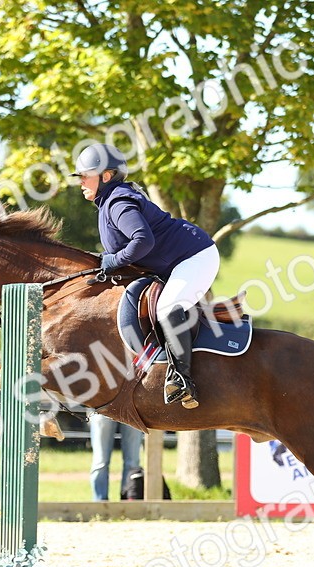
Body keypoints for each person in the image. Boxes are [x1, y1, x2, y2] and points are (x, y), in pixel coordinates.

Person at [73, 142, 219, 408]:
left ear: (105, 176)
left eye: (85, 175)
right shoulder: (109, 201)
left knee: (167, 307)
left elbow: (142, 242)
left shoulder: (117, 201)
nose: (80, 181)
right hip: (177, 262)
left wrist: (113, 261)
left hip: (196, 257)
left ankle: (183, 380)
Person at [88, 412, 143, 502]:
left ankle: (128, 502)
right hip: (102, 406)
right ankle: (99, 504)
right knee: (100, 462)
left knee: (132, 464)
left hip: (132, 406)